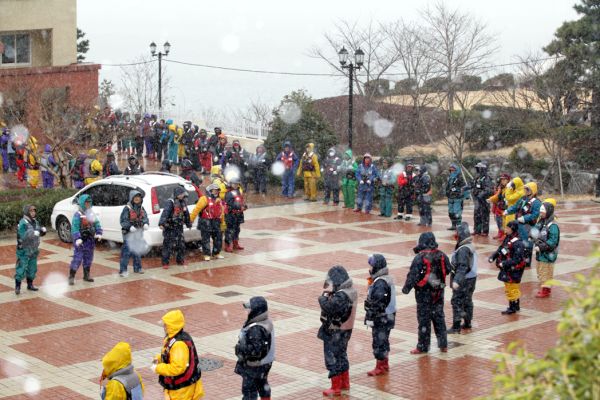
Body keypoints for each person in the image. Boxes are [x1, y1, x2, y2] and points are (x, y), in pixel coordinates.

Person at [402, 232, 449, 354]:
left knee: (424, 321)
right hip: (439, 291)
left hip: (423, 293)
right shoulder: (442, 255)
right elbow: (448, 269)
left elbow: (413, 275)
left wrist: (406, 289)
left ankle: (423, 346)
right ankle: (443, 344)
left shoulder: (420, 257)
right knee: (439, 318)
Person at [318, 265, 357, 397]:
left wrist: (322, 299)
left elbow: (331, 307)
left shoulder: (341, 295)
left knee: (332, 357)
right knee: (341, 354)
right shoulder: (349, 291)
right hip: (346, 329)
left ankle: (335, 387)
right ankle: (345, 383)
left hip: (336, 330)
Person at [153, 310, 204, 400]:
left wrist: (158, 368)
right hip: (181, 388)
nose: (164, 327)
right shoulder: (176, 337)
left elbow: (177, 368)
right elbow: (170, 354)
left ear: (172, 326)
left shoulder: (178, 344)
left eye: (166, 325)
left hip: (181, 391)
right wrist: (159, 358)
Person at [235, 296, 275, 400]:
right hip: (264, 363)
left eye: (250, 308)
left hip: (255, 365)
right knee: (262, 384)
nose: (248, 311)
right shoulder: (265, 321)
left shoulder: (256, 328)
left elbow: (255, 350)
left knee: (249, 390)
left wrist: (240, 348)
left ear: (256, 311)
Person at [364, 254, 396, 376]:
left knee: (379, 341)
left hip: (381, 317)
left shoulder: (380, 282)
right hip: (388, 316)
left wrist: (371, 315)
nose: (370, 268)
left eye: (371, 266)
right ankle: (384, 363)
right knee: (384, 340)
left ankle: (380, 366)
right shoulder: (385, 278)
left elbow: (378, 303)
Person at [488, 220, 525, 315]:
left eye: (508, 228)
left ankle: (513, 307)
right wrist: (494, 256)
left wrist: (504, 263)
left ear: (512, 229)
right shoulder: (508, 238)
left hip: (514, 270)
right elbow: (501, 248)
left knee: (512, 287)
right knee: (510, 286)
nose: (506, 229)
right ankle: (515, 305)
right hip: (508, 269)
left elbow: (517, 259)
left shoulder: (518, 243)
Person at [447, 222, 478, 334]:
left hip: (464, 280)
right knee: (467, 300)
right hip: (472, 279)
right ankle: (468, 322)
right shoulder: (469, 245)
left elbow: (462, 267)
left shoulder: (463, 249)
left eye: (456, 232)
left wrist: (456, 281)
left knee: (457, 301)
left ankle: (456, 327)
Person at [69, 194, 103, 285]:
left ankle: (86, 275)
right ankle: (71, 276)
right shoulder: (78, 214)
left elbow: (97, 223)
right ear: (82, 203)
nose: (88, 204)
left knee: (88, 258)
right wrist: (77, 238)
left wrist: (99, 233)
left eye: (89, 202)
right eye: (86, 202)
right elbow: (75, 228)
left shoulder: (91, 213)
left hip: (90, 240)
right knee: (77, 258)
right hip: (81, 241)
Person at [505, 182, 541, 267]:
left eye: (527, 189)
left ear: (533, 190)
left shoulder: (536, 202)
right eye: (525, 189)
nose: (525, 191)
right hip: (519, 224)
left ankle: (526, 262)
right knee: (518, 242)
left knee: (527, 243)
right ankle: (518, 260)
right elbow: (515, 207)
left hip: (528, 226)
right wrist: (508, 211)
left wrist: (525, 218)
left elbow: (535, 214)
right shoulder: (522, 199)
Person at [15, 205, 46, 295]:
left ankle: (30, 285)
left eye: (34, 211)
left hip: (33, 249)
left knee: (32, 268)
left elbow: (38, 232)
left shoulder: (35, 221)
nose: (33, 213)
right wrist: (32, 233)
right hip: (23, 250)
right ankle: (17, 287)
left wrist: (42, 231)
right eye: (31, 211)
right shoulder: (22, 223)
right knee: (21, 268)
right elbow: (22, 235)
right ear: (27, 212)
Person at [532, 199, 560, 298]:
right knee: (540, 270)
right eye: (540, 211)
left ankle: (545, 290)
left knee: (546, 271)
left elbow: (553, 241)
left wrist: (541, 247)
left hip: (548, 253)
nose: (541, 213)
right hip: (541, 253)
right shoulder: (542, 221)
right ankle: (546, 288)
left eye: (542, 211)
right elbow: (535, 231)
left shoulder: (552, 225)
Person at [158, 187, 191, 269]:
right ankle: (165, 262)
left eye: (183, 194)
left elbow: (186, 214)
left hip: (179, 226)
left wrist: (188, 223)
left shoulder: (183, 202)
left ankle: (180, 260)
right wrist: (162, 223)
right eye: (180, 194)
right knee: (167, 245)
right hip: (170, 227)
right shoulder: (170, 202)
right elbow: (165, 213)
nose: (182, 196)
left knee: (181, 245)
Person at [190, 183, 224, 261]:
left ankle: (216, 253)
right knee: (206, 239)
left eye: (217, 191)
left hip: (216, 222)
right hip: (205, 222)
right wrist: (191, 219)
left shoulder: (219, 200)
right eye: (214, 190)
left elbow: (221, 212)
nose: (216, 192)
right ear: (209, 191)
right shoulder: (204, 199)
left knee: (218, 238)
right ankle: (206, 254)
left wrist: (222, 221)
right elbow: (196, 210)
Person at [119, 190, 149, 277]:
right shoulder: (127, 208)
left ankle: (138, 268)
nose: (137, 198)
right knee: (126, 252)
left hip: (138, 233)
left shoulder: (142, 208)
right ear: (131, 198)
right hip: (128, 234)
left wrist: (146, 223)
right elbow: (123, 221)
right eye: (135, 197)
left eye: (138, 197)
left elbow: (145, 217)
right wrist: (129, 227)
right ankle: (123, 270)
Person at [224, 177, 247, 252]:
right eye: (234, 184)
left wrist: (244, 205)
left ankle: (235, 244)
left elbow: (240, 200)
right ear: (231, 184)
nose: (236, 185)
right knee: (230, 230)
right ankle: (228, 246)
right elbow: (230, 203)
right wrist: (240, 207)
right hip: (231, 215)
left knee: (237, 229)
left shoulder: (237, 191)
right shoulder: (228, 193)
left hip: (238, 214)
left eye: (237, 184)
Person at [471, 162, 494, 236]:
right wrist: (466, 188)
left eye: (479, 168)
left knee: (485, 216)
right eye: (477, 168)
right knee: (476, 215)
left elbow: (489, 189)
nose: (478, 170)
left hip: (484, 201)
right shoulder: (477, 178)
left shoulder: (487, 178)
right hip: (477, 201)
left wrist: (481, 194)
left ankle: (485, 231)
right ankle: (477, 230)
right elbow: (472, 185)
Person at [488, 173, 511, 240]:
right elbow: (497, 196)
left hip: (505, 208)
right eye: (502, 179)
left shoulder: (510, 188)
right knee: (499, 221)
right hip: (499, 206)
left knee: (505, 222)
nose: (502, 181)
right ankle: (500, 233)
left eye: (504, 179)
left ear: (508, 180)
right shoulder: (501, 187)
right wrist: (491, 199)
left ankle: (505, 234)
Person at [446, 163, 467, 230]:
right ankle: (453, 225)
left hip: (457, 198)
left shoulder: (459, 177)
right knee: (450, 212)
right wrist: (447, 192)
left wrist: (463, 194)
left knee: (457, 213)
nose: (452, 171)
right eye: (451, 170)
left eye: (453, 170)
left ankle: (458, 225)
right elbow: (448, 186)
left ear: (456, 170)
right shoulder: (450, 177)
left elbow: (464, 187)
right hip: (450, 198)